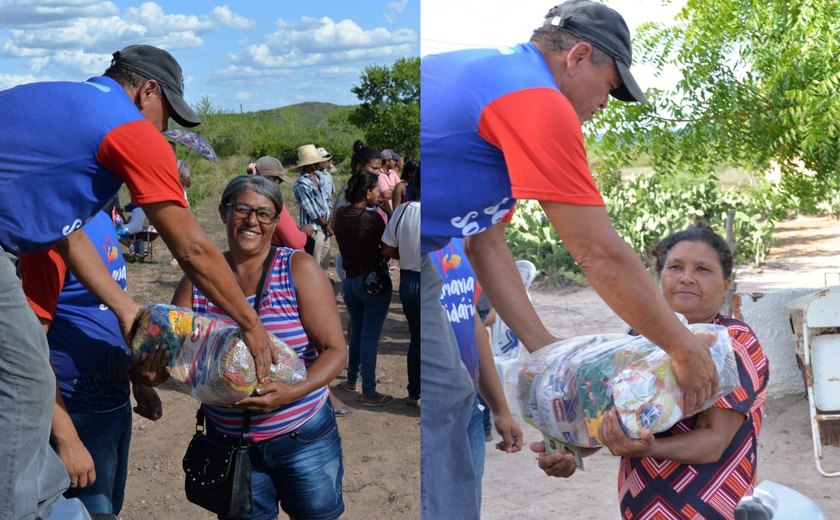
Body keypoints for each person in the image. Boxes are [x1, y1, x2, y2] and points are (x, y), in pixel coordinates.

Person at [420, 2, 720, 517]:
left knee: (450, 396)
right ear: (578, 56)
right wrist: (683, 347)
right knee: (447, 402)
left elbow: (486, 244)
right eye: (610, 86)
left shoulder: (505, 84)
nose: (607, 104)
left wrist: (547, 357)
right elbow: (597, 252)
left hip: (422, 254)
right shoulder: (536, 100)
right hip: (408, 254)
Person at [0, 43, 277, 518]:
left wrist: (127, 308)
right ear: (147, 90)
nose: (164, 130)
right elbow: (192, 248)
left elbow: (65, 234)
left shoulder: (68, 107)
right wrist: (251, 326)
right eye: (166, 114)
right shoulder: (126, 126)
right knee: (26, 379)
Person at [171, 175, 347, 520]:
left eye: (265, 214)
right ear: (223, 212)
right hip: (230, 444)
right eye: (242, 209)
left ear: (276, 221)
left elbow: (335, 350)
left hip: (303, 437)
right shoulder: (197, 279)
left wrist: (292, 391)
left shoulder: (297, 268)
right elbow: (176, 354)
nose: (253, 221)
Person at [590, 224, 769, 519]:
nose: (686, 278)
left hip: (709, 504)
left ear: (726, 284)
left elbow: (713, 442)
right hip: (642, 502)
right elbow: (614, 416)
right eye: (676, 267)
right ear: (660, 276)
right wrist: (571, 452)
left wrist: (649, 448)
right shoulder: (639, 337)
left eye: (702, 269)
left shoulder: (733, 342)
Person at [19, 211, 162, 516]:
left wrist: (136, 379)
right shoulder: (52, 239)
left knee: (110, 509)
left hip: (115, 405)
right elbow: (30, 348)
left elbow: (113, 307)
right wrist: (67, 438)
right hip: (76, 413)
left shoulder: (101, 219)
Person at [431, 238, 524, 508]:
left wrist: (499, 408)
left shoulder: (460, 240)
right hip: (435, 415)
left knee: (467, 505)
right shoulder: (421, 243)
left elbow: (472, 324)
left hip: (469, 408)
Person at [333, 171, 394, 406]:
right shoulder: (372, 218)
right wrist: (388, 211)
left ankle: (351, 379)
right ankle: (369, 391)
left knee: (357, 331)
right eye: (376, 190)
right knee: (369, 336)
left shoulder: (339, 214)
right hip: (372, 282)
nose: (379, 193)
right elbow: (388, 247)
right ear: (367, 192)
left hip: (349, 282)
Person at [382, 165, 421, 406]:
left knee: (416, 338)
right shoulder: (448, 212)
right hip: (438, 280)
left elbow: (387, 248)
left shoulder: (404, 211)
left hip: (410, 281)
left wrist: (406, 254)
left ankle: (414, 392)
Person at [251, 155, 315, 253]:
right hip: (282, 261)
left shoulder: (247, 198)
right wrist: (304, 232)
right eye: (278, 181)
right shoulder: (272, 203)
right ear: (271, 180)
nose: (279, 185)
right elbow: (295, 242)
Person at [291, 144, 335, 270]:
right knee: (314, 262)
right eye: (315, 162)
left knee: (324, 262)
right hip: (314, 228)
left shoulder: (319, 178)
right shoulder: (301, 184)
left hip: (325, 226)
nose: (318, 164)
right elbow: (311, 210)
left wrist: (330, 223)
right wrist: (326, 225)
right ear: (308, 164)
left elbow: (328, 201)